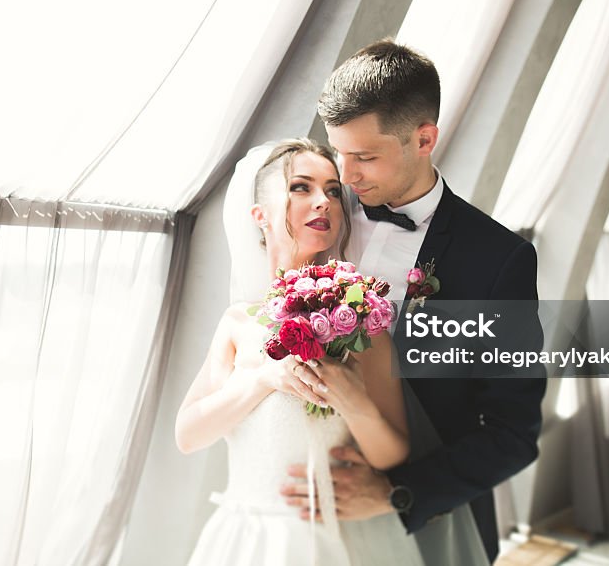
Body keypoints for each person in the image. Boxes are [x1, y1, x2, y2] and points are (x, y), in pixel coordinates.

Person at [284, 40, 546, 565]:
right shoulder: (312, 212)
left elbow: (513, 432)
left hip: (425, 528)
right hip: (301, 519)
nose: (347, 174)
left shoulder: (498, 260)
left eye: (365, 156)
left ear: (424, 138)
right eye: (339, 150)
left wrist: (396, 495)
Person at [175, 138, 425, 566]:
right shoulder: (238, 323)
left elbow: (393, 454)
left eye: (332, 190)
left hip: (327, 542)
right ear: (259, 216)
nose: (323, 202)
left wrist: (351, 398)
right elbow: (188, 435)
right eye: (301, 188)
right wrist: (261, 379)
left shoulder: (361, 319)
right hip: (245, 540)